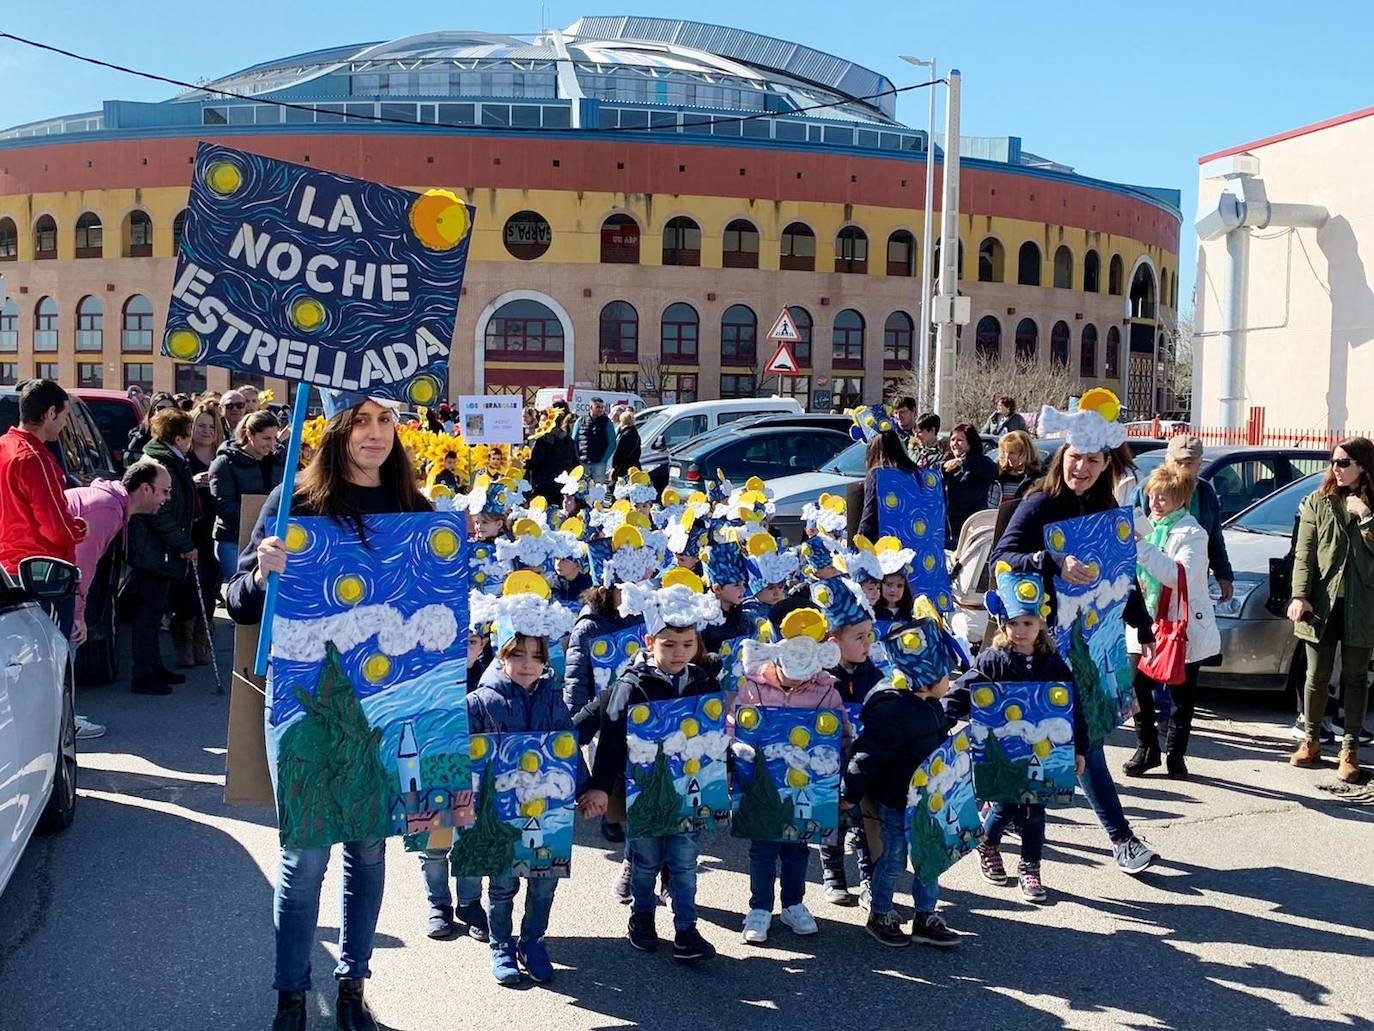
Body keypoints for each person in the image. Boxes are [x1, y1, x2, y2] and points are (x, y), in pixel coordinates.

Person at [226, 398, 431, 1031]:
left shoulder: (416, 515)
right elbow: (236, 603)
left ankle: (352, 987)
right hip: (305, 703)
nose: (374, 434)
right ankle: (291, 996)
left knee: (369, 851)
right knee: (306, 854)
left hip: (386, 703)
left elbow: (430, 614)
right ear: (338, 431)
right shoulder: (295, 506)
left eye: (384, 422)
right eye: (361, 422)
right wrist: (261, 575)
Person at [989, 394, 1160, 875]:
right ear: (1061, 454)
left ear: (1107, 464)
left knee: (1078, 741)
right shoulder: (1039, 503)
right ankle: (1119, 838)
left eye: (1091, 460)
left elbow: (1121, 574)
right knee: (1067, 743)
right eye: (1074, 457)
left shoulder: (1107, 508)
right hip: (1039, 644)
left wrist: (1142, 625)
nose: (1080, 467)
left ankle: (992, 828)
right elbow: (1002, 559)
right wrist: (1052, 561)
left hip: (1089, 646)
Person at [580, 569, 724, 962]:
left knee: (684, 862)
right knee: (644, 861)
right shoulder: (632, 686)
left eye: (687, 644)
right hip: (642, 793)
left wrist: (724, 776)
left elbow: (713, 737)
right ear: (649, 642)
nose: (679, 652)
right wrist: (597, 786)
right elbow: (609, 741)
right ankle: (641, 917)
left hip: (688, 793)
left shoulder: (702, 682)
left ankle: (686, 929)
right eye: (669, 644)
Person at [465, 574, 582, 987]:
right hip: (498, 813)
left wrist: (584, 791)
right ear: (500, 655)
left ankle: (533, 941)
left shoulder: (552, 697)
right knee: (502, 882)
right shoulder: (480, 702)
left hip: (547, 812)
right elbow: (464, 755)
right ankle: (501, 944)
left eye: (536, 654)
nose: (528, 663)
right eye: (518, 654)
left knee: (544, 881)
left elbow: (566, 746)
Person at [949, 572, 1088, 904]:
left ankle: (1030, 866)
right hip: (1003, 752)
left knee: (1035, 808)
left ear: (1040, 624)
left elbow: (1073, 708)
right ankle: (989, 842)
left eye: (1028, 623)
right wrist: (941, 714)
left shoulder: (1054, 664)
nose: (1021, 630)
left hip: (1042, 751)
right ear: (1003, 625)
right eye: (1014, 623)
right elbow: (964, 690)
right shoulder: (992, 661)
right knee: (1005, 803)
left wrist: (1079, 748)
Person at [843, 615, 962, 948]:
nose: (949, 682)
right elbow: (867, 755)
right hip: (896, 799)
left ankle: (926, 915)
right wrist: (850, 793)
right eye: (944, 675)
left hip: (927, 800)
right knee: (894, 856)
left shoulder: (932, 705)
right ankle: (880, 911)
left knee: (929, 857)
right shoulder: (893, 711)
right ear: (924, 678)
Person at [732, 607, 847, 944]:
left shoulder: (826, 691)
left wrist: (836, 757)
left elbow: (840, 733)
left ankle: (794, 903)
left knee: (797, 848)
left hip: (805, 788)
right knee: (763, 848)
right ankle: (760, 908)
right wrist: (736, 746)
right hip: (762, 786)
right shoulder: (753, 687)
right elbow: (735, 722)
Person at [62, 460, 172, 739]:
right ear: (145, 489)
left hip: (50, 578)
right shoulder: (106, 510)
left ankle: (64, 716)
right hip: (49, 580)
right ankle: (63, 723)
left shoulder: (111, 504)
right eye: (164, 491)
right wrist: (78, 614)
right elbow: (81, 565)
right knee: (67, 647)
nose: (166, 499)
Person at [1288, 437, 1374, 782]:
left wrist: (1366, 517)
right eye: (1334, 462)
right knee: (1316, 676)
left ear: (1363, 466)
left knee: (1355, 677)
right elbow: (1304, 554)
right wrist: (1299, 595)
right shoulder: (1317, 502)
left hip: (1363, 604)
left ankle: (1349, 747)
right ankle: (1310, 739)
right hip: (1323, 602)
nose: (1336, 469)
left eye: (1344, 463)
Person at [1125, 465, 1220, 780]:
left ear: (1181, 500)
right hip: (1144, 622)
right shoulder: (1146, 526)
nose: (1155, 503)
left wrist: (1139, 547)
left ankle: (1176, 755)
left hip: (1181, 626)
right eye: (1152, 496)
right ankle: (1147, 748)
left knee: (1181, 694)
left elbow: (1178, 576)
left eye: (1163, 498)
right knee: (1137, 686)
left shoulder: (1193, 533)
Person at [0, 379, 89, 637]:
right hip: (42, 574)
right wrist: (81, 528)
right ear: (50, 413)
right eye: (63, 415)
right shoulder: (35, 459)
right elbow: (56, 529)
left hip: (9, 569)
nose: (63, 425)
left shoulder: (5, 446)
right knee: (57, 651)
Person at [812, 578, 880, 907]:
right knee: (832, 819)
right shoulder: (819, 679)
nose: (867, 644)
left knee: (866, 822)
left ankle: (869, 877)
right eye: (858, 638)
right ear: (833, 641)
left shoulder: (875, 676)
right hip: (828, 761)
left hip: (864, 764)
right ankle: (833, 873)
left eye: (869, 637)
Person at [127, 408, 198, 695]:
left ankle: (154, 666)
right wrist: (183, 543)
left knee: (155, 612)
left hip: (159, 549)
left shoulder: (169, 459)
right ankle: (143, 673)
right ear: (180, 437)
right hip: (153, 550)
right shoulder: (160, 463)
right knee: (148, 613)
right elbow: (161, 514)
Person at [1134, 435, 1235, 604]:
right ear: (1167, 461)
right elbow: (1131, 530)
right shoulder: (1147, 488)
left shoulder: (1205, 493)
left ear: (1199, 465)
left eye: (1188, 464)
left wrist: (1224, 575)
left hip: (1189, 588)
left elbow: (1215, 538)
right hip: (1147, 584)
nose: (1182, 469)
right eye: (1178, 462)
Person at [210, 411, 286, 581]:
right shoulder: (225, 462)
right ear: (249, 434)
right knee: (240, 590)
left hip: (270, 536)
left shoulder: (280, 460)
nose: (272, 444)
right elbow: (223, 505)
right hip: (234, 539)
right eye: (266, 438)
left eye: (275, 438)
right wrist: (258, 519)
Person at [182, 401, 224, 667]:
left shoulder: (222, 457)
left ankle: (202, 638)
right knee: (188, 588)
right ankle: (185, 640)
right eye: (200, 426)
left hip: (217, 528)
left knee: (211, 587)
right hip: (193, 528)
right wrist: (192, 483)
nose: (206, 431)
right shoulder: (183, 457)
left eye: (211, 426)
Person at [858, 424, 921, 541]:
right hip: (916, 539)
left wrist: (859, 543)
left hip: (887, 545)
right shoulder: (916, 473)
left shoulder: (877, 474)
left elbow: (870, 514)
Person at [943, 423, 998, 546]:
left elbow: (992, 471)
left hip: (971, 526)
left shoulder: (981, 462)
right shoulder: (946, 461)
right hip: (947, 528)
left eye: (960, 440)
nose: (955, 444)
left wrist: (962, 462)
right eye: (952, 440)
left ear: (970, 442)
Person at [994, 430, 1042, 505]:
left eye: (1012, 453)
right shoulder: (997, 473)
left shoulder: (1037, 478)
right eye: (1005, 452)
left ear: (1025, 453)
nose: (1007, 457)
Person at [127, 391, 178, 459]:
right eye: (160, 408)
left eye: (170, 409)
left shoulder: (183, 434)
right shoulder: (142, 433)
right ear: (153, 411)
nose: (166, 412)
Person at [576, 397, 615, 481]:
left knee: (598, 491)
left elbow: (612, 443)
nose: (600, 409)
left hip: (599, 464)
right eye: (597, 407)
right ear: (591, 407)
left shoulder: (607, 422)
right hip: (583, 462)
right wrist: (577, 459)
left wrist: (603, 460)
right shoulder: (580, 421)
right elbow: (574, 441)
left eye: (602, 407)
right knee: (583, 490)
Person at [609, 410, 641, 488]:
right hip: (635, 466)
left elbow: (619, 453)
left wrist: (614, 467)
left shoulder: (625, 435)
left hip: (624, 469)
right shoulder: (635, 433)